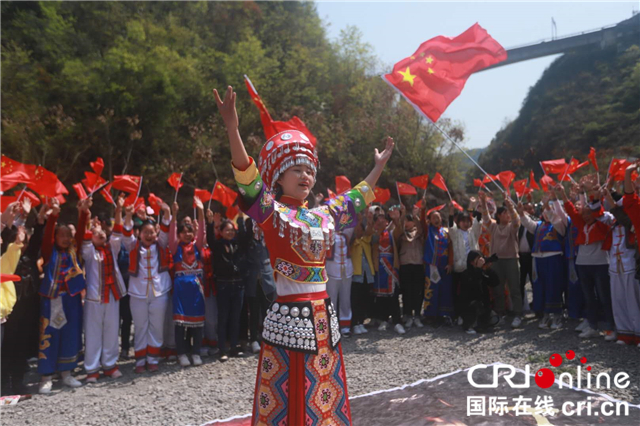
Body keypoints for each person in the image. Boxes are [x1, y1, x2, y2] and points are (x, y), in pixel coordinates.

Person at [214, 85, 393, 425]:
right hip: (291, 320)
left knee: (323, 395)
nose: (306, 176)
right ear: (279, 177)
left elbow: (358, 197)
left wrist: (378, 166)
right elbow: (247, 180)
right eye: (297, 170)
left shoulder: (323, 215)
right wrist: (232, 129)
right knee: (290, 397)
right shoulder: (271, 211)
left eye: (309, 171)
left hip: (324, 319)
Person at [37, 197, 87, 394]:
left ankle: (66, 373)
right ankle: (46, 377)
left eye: (68, 235)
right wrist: (53, 216)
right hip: (52, 299)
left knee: (70, 334)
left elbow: (81, 234)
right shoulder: (49, 252)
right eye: (62, 235)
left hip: (71, 299)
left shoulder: (75, 251)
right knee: (49, 335)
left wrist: (83, 213)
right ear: (56, 238)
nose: (66, 239)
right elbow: (47, 234)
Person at [556, 183, 616, 341]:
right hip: (583, 264)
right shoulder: (581, 224)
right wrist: (562, 194)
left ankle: (610, 328)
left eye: (589, 213)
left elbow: (599, 212)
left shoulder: (603, 225)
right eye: (584, 213)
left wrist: (591, 194)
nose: (586, 216)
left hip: (601, 264)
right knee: (589, 297)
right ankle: (593, 326)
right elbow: (570, 210)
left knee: (604, 297)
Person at [80, 196, 127, 382]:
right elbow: (83, 239)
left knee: (111, 331)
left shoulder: (112, 249)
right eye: (96, 233)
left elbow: (117, 233)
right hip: (94, 298)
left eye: (102, 233)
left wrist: (118, 211)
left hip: (112, 296)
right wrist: (85, 215)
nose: (101, 235)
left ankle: (110, 366)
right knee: (92, 333)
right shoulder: (89, 252)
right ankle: (92, 370)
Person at [122, 202, 172, 373]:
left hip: (159, 291)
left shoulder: (161, 244)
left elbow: (166, 229)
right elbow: (126, 235)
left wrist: (166, 212)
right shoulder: (133, 246)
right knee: (141, 326)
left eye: (151, 232)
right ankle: (140, 360)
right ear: (140, 234)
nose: (149, 235)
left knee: (156, 326)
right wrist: (128, 215)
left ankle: (153, 359)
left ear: (155, 232)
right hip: (137, 293)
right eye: (145, 232)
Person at [1, 202, 45, 395]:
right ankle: (2, 383)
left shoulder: (30, 256)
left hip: (27, 306)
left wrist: (38, 219)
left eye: (26, 241)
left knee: (21, 347)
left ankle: (18, 381)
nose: (24, 244)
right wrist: (13, 220)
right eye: (22, 241)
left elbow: (37, 239)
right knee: (6, 348)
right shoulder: (8, 258)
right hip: (9, 310)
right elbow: (8, 236)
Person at [518, 192, 566, 330]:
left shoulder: (559, 224)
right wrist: (521, 213)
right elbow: (527, 223)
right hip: (538, 259)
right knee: (540, 287)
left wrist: (547, 206)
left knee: (554, 286)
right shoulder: (539, 225)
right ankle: (545, 314)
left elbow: (554, 219)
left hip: (553, 258)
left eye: (549, 211)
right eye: (544, 211)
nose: (546, 213)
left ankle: (557, 315)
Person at [169, 198, 206, 367]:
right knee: (180, 323)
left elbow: (202, 232)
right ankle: (181, 353)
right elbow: (171, 233)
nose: (187, 234)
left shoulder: (197, 246)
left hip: (196, 287)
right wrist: (174, 214)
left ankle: (196, 352)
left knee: (197, 323)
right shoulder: (175, 247)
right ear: (179, 234)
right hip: (181, 287)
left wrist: (200, 211)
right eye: (183, 232)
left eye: (190, 232)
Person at [479, 191, 522, 328]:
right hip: (497, 261)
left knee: (514, 288)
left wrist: (509, 205)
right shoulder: (493, 227)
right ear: (498, 215)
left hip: (511, 259)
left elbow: (516, 219)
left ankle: (518, 314)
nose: (507, 215)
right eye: (504, 213)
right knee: (498, 289)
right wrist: (483, 202)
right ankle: (501, 314)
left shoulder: (512, 227)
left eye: (508, 213)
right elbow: (485, 217)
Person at [608, 163, 640, 347]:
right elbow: (628, 200)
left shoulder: (628, 219)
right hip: (620, 264)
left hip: (628, 262)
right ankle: (627, 333)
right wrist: (628, 173)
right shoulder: (633, 212)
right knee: (621, 299)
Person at [210, 217, 250, 361]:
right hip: (223, 284)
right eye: (227, 230)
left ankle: (234, 347)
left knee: (236, 317)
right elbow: (210, 239)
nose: (230, 232)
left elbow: (246, 238)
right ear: (221, 231)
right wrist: (210, 224)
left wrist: (240, 219)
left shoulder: (238, 244)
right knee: (223, 317)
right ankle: (222, 349)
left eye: (232, 230)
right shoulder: (218, 245)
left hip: (238, 284)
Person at [448, 200, 481, 322]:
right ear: (458, 222)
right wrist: (451, 212)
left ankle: (474, 316)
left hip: (473, 268)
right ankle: (460, 315)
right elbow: (451, 226)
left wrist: (476, 208)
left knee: (473, 293)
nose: (466, 224)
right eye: (463, 221)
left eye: (468, 221)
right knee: (460, 294)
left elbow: (478, 224)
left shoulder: (472, 233)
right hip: (460, 268)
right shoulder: (455, 233)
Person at [372, 210, 404, 334]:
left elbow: (399, 231)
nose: (381, 221)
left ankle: (397, 321)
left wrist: (396, 219)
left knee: (394, 295)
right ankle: (383, 320)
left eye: (383, 218)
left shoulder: (391, 233)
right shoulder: (373, 234)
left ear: (387, 221)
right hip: (378, 268)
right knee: (381, 296)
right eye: (378, 219)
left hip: (391, 267)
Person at [421, 205, 454, 324]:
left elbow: (450, 248)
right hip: (432, 265)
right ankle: (430, 315)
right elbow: (422, 222)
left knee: (445, 289)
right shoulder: (428, 230)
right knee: (431, 289)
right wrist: (423, 209)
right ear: (429, 220)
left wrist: (450, 263)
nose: (436, 220)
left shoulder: (446, 231)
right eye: (434, 217)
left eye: (438, 217)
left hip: (445, 265)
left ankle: (444, 314)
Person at [326, 218, 355, 337]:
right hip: (332, 270)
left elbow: (353, 222)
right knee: (331, 300)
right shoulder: (327, 231)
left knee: (345, 299)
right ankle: (331, 327)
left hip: (346, 270)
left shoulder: (346, 232)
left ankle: (345, 326)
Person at [458, 251, 500, 334]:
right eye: (478, 259)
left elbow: (495, 283)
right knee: (475, 309)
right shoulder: (465, 274)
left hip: (484, 304)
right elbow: (473, 286)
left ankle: (481, 323)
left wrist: (488, 269)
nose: (481, 261)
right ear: (472, 262)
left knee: (494, 320)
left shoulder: (482, 271)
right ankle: (468, 324)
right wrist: (478, 269)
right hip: (470, 305)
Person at [350, 210, 375, 335]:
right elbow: (354, 235)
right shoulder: (354, 241)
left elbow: (370, 231)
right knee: (355, 300)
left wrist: (369, 219)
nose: (360, 231)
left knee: (364, 298)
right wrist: (358, 221)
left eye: (361, 229)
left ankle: (361, 321)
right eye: (358, 229)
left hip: (367, 274)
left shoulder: (365, 240)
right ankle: (355, 323)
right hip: (356, 274)